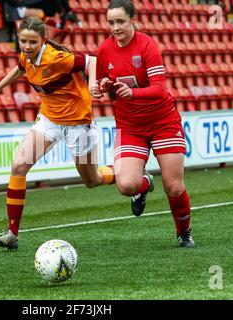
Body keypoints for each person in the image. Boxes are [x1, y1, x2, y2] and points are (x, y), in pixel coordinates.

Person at [0, 16, 116, 250]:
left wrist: (93, 84)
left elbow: (91, 61)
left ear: (43, 41)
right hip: (50, 120)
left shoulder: (56, 58)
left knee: (91, 180)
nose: (27, 46)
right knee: (19, 166)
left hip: (77, 122)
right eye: (23, 41)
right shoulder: (27, 56)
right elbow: (19, 69)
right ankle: (12, 233)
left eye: (32, 42)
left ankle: (130, 177)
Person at [91, 0, 195, 248]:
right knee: (126, 185)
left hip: (163, 121)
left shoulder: (147, 45)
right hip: (131, 126)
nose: (116, 27)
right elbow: (105, 82)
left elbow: (159, 89)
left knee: (174, 186)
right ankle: (144, 183)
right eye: (111, 22)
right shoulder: (105, 50)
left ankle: (184, 232)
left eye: (120, 22)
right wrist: (100, 88)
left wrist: (132, 93)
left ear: (132, 20)